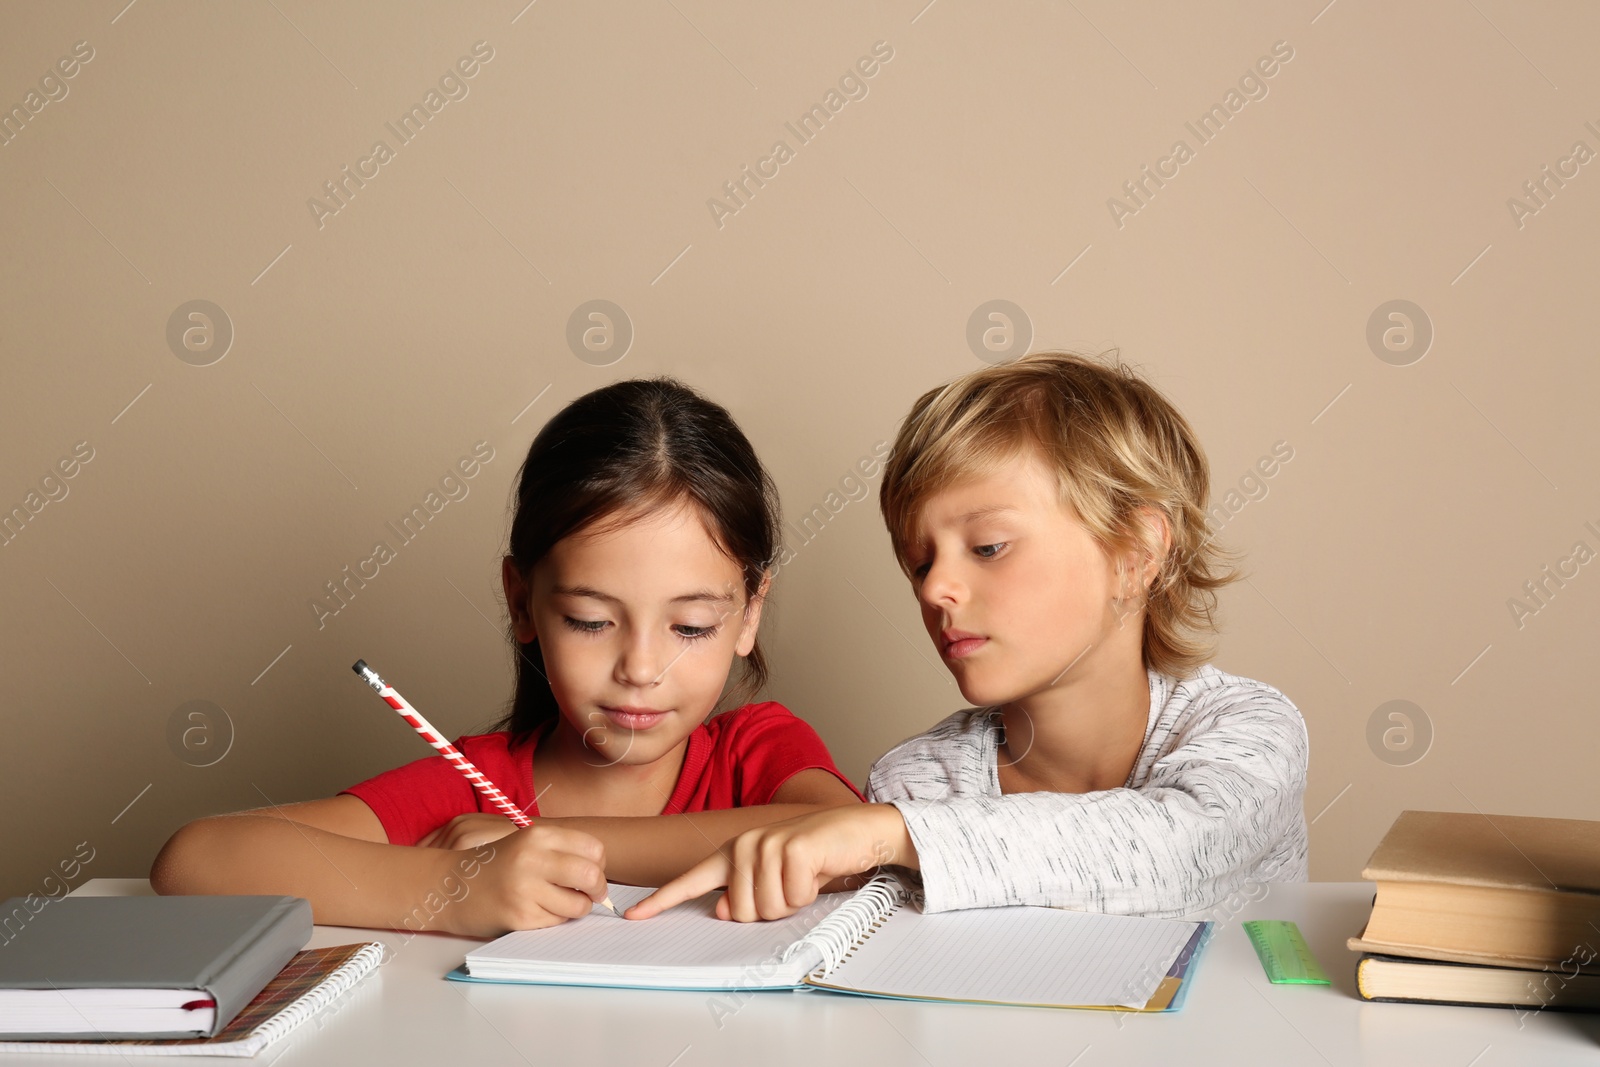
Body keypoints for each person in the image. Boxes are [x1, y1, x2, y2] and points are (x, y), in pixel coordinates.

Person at [151, 378, 862, 935]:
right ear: (521, 601)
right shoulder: (472, 786)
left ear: (751, 613)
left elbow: (841, 837)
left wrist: (557, 842)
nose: (642, 668)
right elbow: (197, 860)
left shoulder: (756, 750)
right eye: (589, 619)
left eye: (693, 626)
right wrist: (454, 892)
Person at [631, 351, 1308, 923]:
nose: (933, 589)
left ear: (1135, 552)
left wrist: (893, 832)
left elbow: (1181, 850)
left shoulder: (1247, 729)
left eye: (987, 546)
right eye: (920, 562)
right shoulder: (918, 778)